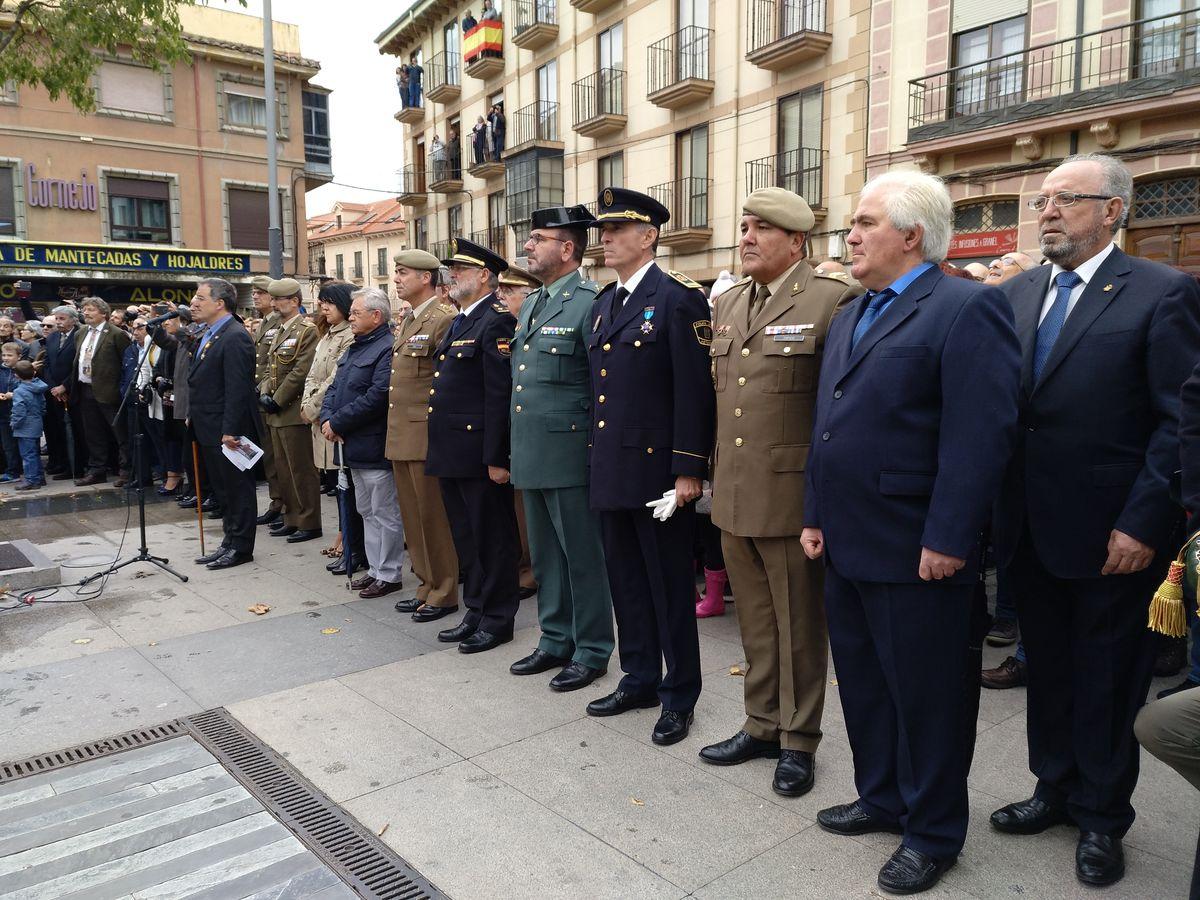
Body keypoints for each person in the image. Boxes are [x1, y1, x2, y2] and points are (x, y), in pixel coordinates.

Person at [801, 170, 1020, 895]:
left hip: (918, 547)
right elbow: (827, 425)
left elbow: (979, 435)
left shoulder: (964, 308)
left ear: (911, 235)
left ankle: (932, 833)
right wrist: (814, 513)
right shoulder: (855, 311)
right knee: (864, 685)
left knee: (929, 698)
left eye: (864, 223)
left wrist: (950, 537)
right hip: (848, 540)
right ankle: (884, 797)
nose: (851, 236)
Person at [989, 154, 1200, 888]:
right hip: (1027, 529)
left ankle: (1105, 818)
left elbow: (1178, 422)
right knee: (1046, 672)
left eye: (1065, 200)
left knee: (1108, 681)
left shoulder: (1162, 291)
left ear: (1112, 210)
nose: (1046, 211)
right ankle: (1054, 789)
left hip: (1116, 535)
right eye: (1042, 200)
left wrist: (1144, 521)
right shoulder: (1016, 294)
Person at [699, 187, 863, 798]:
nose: (745, 238)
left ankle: (800, 740)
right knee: (758, 625)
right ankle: (760, 722)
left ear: (795, 240)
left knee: (799, 625)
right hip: (736, 494)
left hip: (794, 497)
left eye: (759, 229)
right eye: (743, 227)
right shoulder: (733, 302)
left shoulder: (832, 299)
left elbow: (837, 409)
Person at [580, 188, 715, 746]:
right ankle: (638, 676)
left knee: (667, 588)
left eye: (616, 230)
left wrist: (689, 472)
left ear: (649, 236)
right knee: (626, 582)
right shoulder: (605, 302)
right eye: (603, 231)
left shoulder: (678, 297)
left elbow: (694, 391)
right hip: (612, 468)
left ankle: (679, 694)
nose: (604, 239)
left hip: (660, 473)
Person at [508, 205, 614, 691]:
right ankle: (555, 638)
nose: (527, 246)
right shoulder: (531, 303)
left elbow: (599, 386)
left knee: (581, 556)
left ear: (567, 248)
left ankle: (591, 648)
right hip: (530, 449)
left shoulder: (591, 300)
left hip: (571, 452)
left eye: (536, 238)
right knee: (547, 555)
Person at [427, 237, 519, 653]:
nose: (452, 276)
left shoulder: (496, 319)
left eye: (460, 270)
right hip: (452, 451)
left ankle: (499, 618)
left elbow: (499, 394)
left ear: (484, 276)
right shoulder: (461, 319)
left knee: (492, 537)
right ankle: (477, 608)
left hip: (479, 452)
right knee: (467, 537)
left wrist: (497, 457)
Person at [387, 250, 460, 622]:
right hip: (402, 432)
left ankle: (445, 590)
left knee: (433, 516)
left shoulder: (443, 319)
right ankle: (425, 584)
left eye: (403, 273)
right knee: (413, 517)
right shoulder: (410, 320)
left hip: (425, 433)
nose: (396, 278)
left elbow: (445, 384)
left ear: (427, 279)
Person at [321, 288, 406, 599]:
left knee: (385, 511)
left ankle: (390, 572)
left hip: (373, 443)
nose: (351, 317)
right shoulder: (355, 347)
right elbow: (335, 386)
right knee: (366, 510)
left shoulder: (385, 347)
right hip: (351, 444)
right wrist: (327, 419)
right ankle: (374, 568)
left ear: (376, 316)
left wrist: (338, 422)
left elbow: (377, 396)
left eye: (356, 313)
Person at [188, 279, 258, 570]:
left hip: (227, 430)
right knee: (222, 489)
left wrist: (230, 430)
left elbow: (237, 389)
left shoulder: (234, 336)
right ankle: (229, 541)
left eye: (200, 297)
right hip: (208, 426)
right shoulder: (210, 334)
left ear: (220, 303)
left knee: (237, 489)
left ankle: (241, 547)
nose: (193, 302)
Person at [260, 278, 323, 544]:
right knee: (283, 468)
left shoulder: (306, 330)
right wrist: (264, 391)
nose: (273, 303)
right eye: (272, 299)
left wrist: (278, 398)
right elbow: (269, 366)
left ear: (295, 301)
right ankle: (292, 517)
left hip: (293, 408)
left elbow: (301, 370)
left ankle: (309, 522)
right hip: (275, 410)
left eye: (279, 299)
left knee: (301, 470)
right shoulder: (281, 329)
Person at [496, 263, 543, 601]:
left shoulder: (529, 326)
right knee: (517, 510)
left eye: (509, 292)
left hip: (533, 434)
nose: (503, 297)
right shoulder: (514, 327)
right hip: (515, 430)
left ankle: (531, 571)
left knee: (527, 513)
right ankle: (524, 566)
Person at [68, 297, 132, 486]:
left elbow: (126, 363)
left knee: (120, 434)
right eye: (84, 309)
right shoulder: (80, 333)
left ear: (103, 313)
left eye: (91, 310)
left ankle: (126, 471)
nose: (85, 313)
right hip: (85, 389)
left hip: (110, 392)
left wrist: (121, 390)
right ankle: (97, 470)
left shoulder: (116, 334)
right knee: (93, 434)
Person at [250, 275, 287, 527]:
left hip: (272, 396)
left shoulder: (278, 323)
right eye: (254, 292)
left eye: (260, 293)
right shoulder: (265, 323)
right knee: (269, 455)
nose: (255, 296)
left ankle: (282, 503)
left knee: (278, 457)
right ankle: (277, 500)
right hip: (261, 395)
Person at [44, 305, 82, 480]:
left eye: (62, 319)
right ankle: (63, 464)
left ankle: (78, 467)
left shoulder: (79, 336)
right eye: (57, 319)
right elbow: (47, 364)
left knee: (76, 431)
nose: (58, 322)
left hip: (74, 391)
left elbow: (78, 365)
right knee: (59, 430)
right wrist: (54, 388)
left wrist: (65, 387)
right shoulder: (52, 338)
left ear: (73, 320)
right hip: (55, 393)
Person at [9, 359, 48, 491]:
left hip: (25, 427)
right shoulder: (39, 387)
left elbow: (19, 411)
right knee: (35, 452)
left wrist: (14, 423)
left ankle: (31, 480)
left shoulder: (19, 391)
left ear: (17, 376)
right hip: (37, 423)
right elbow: (43, 406)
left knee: (27, 454)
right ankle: (39, 477)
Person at [0, 342, 20, 482]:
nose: (6, 358)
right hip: (3, 413)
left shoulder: (23, 370)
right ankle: (12, 470)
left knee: (24, 444)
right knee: (8, 445)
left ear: (19, 356)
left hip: (19, 414)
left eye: (9, 355)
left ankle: (27, 469)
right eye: (4, 355)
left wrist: (14, 395)